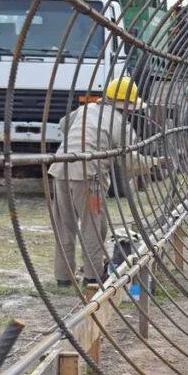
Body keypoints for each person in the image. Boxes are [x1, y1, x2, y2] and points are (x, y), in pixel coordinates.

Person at [49, 77, 147, 288]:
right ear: (128, 107)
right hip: (87, 178)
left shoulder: (85, 110)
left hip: (61, 169)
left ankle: (63, 277)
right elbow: (132, 163)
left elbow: (63, 124)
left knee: (64, 227)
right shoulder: (120, 124)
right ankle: (93, 277)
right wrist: (157, 163)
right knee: (93, 227)